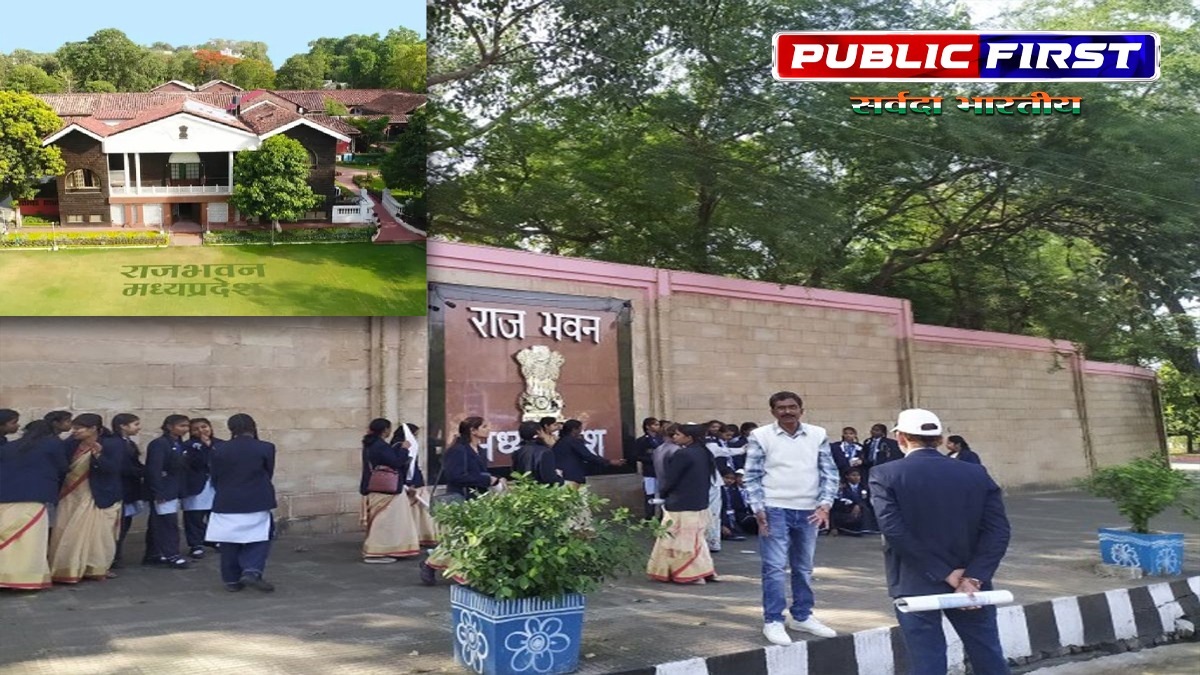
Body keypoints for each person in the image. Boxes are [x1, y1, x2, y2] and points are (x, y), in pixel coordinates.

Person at [869, 409, 1011, 675]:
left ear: (901, 438)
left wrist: (943, 572)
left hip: (915, 579)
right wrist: (973, 577)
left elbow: (894, 530)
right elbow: (998, 531)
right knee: (987, 653)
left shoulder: (885, 474)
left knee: (927, 661)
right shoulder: (975, 473)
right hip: (970, 584)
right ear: (940, 438)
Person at [743, 391, 840, 645]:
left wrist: (825, 505)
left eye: (792, 407)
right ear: (773, 412)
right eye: (781, 407)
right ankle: (773, 620)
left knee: (804, 567)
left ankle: (802, 616)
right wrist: (758, 509)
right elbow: (751, 476)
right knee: (775, 568)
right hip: (774, 509)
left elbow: (829, 472)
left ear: (801, 410)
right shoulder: (760, 436)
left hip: (809, 510)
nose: (787, 411)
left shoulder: (818, 434)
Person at [421, 417, 503, 585]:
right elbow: (455, 476)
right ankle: (431, 564)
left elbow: (479, 472)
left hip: (479, 498)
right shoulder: (459, 450)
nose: (488, 429)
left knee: (470, 538)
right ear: (473, 430)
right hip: (462, 498)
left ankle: (458, 569)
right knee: (460, 537)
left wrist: (491, 480)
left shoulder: (479, 450)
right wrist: (486, 479)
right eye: (484, 426)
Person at [47, 414, 124, 583]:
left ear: (93, 429)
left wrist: (98, 455)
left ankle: (95, 567)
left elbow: (114, 469)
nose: (74, 431)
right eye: (74, 428)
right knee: (68, 530)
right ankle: (68, 567)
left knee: (99, 533)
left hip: (98, 494)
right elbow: (62, 467)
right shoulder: (70, 444)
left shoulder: (112, 444)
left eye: (78, 428)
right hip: (71, 494)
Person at [206, 413, 277, 592]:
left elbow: (215, 475)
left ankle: (231, 580)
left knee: (228, 540)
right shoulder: (266, 447)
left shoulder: (218, 448)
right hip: (257, 498)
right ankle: (252, 570)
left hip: (227, 499)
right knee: (260, 537)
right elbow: (268, 472)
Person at [646, 423, 719, 585]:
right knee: (696, 538)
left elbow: (671, 479)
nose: (674, 437)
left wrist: (663, 493)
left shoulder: (683, 454)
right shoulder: (704, 452)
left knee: (678, 540)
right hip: (699, 501)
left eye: (678, 434)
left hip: (680, 503)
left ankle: (690, 573)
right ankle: (704, 570)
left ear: (689, 437)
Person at [0, 420, 68, 590]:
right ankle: (25, 577)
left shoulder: (8, 446)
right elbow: (63, 467)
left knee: (8, 536)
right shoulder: (53, 444)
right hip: (35, 496)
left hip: (6, 496)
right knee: (30, 540)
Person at [360, 418, 421, 563]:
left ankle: (385, 549)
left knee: (385, 520)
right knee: (384, 522)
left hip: (375, 486)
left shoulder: (370, 445)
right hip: (387, 489)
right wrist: (405, 449)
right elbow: (396, 462)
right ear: (385, 430)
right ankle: (377, 552)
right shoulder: (380, 446)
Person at [143, 414, 191, 569]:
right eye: (181, 426)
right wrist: (158, 491)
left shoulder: (179, 443)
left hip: (174, 487)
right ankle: (172, 554)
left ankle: (154, 553)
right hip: (165, 489)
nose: (185, 429)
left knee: (159, 522)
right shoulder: (160, 444)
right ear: (170, 426)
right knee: (167, 522)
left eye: (187, 426)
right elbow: (154, 469)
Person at [110, 413, 149, 569]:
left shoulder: (128, 443)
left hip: (130, 488)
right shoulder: (116, 443)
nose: (138, 428)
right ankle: (113, 556)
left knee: (125, 523)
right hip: (121, 488)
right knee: (119, 525)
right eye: (135, 424)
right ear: (123, 426)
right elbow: (124, 467)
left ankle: (116, 554)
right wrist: (144, 472)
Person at [181, 418, 220, 559]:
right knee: (194, 516)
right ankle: (195, 544)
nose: (201, 431)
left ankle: (216, 539)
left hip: (216, 484)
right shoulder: (188, 445)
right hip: (196, 484)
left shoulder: (221, 444)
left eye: (204, 427)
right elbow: (195, 462)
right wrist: (205, 447)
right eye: (196, 429)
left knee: (215, 515)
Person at [552, 419, 623, 487]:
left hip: (562, 475)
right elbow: (588, 456)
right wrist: (609, 462)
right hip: (572, 477)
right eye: (580, 429)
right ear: (574, 430)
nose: (581, 431)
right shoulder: (572, 441)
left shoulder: (561, 441)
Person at [628, 417, 661, 519]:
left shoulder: (662, 439)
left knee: (662, 495)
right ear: (648, 426)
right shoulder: (641, 441)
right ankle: (649, 517)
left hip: (661, 472)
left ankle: (662, 517)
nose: (658, 427)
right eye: (655, 425)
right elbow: (635, 456)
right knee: (650, 494)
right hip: (649, 471)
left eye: (658, 425)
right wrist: (650, 459)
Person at [513, 421, 563, 486]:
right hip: (541, 489)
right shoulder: (545, 452)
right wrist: (559, 477)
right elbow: (549, 478)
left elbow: (515, 473)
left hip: (523, 489)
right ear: (539, 432)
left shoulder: (518, 451)